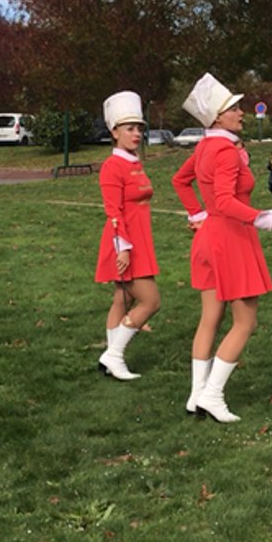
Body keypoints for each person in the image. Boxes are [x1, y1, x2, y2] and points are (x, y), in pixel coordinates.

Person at [174, 73, 272, 423]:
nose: (241, 112)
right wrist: (268, 219)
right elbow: (226, 201)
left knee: (210, 319)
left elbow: (181, 181)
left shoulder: (205, 147)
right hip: (231, 239)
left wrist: (198, 214)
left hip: (208, 238)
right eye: (234, 108)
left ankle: (197, 395)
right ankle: (212, 395)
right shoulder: (225, 151)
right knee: (245, 322)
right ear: (217, 117)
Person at [94, 91, 161, 381]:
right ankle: (114, 355)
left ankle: (111, 361)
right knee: (151, 301)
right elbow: (113, 210)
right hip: (124, 242)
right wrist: (122, 247)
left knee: (122, 301)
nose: (136, 134)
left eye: (139, 129)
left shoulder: (134, 162)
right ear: (114, 132)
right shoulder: (113, 166)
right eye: (129, 129)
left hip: (138, 239)